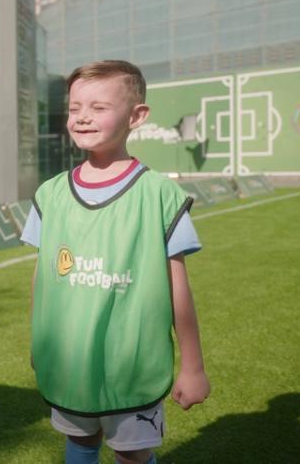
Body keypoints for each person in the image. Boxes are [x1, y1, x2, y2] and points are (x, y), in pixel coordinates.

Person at [19, 60, 210, 464]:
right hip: (70, 360)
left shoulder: (159, 194)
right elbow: (44, 275)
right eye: (74, 108)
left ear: (136, 116)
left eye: (99, 107)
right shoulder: (50, 194)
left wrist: (192, 366)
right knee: (81, 442)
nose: (83, 117)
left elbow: (178, 286)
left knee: (133, 454)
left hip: (132, 364)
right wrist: (40, 338)